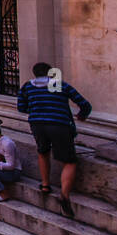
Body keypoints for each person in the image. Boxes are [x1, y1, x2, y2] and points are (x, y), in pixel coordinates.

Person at [17, 61, 92, 219]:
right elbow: (84, 104)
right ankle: (64, 195)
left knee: (43, 151)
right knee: (70, 160)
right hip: (59, 124)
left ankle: (45, 185)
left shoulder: (27, 87)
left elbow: (21, 107)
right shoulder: (60, 85)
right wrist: (82, 115)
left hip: (37, 124)